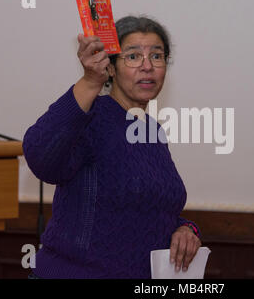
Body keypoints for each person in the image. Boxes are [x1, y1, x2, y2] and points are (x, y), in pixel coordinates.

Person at [22, 15, 202, 279]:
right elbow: (40, 155)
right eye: (132, 56)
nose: (147, 66)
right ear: (112, 68)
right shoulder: (93, 116)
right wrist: (90, 83)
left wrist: (186, 229)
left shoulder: (152, 131)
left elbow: (151, 208)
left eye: (157, 56)